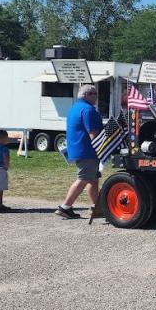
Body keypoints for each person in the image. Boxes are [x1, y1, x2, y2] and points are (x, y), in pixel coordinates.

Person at [56, 85, 103, 219]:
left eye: (95, 93)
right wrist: (102, 147)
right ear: (86, 95)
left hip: (78, 149)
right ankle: (65, 207)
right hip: (87, 150)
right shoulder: (88, 110)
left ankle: (96, 207)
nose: (96, 96)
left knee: (93, 179)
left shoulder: (75, 108)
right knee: (84, 178)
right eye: (93, 93)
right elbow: (93, 133)